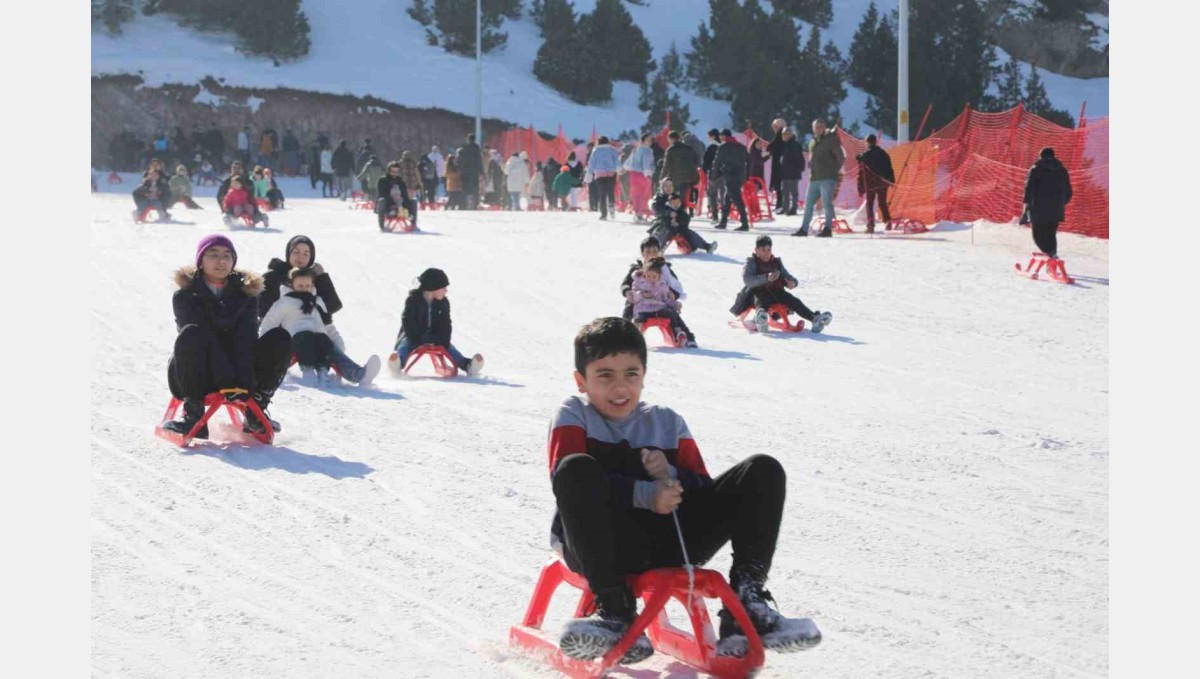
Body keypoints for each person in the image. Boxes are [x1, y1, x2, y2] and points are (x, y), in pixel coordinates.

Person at [546, 316, 823, 663]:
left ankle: (746, 606)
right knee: (576, 468)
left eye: (631, 374)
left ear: (644, 375)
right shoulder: (574, 413)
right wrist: (646, 495)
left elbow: (702, 489)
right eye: (605, 375)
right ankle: (616, 613)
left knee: (762, 469)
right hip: (598, 547)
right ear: (581, 381)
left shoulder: (666, 421)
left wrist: (671, 474)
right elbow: (566, 479)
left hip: (667, 541)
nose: (620, 387)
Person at [162, 235, 292, 438]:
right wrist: (227, 379)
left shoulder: (246, 295)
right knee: (191, 333)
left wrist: (245, 381)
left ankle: (256, 410)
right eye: (213, 255)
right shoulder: (185, 296)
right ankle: (193, 414)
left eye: (226, 256)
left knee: (280, 337)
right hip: (198, 371)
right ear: (201, 261)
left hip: (240, 371)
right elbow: (205, 337)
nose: (221, 261)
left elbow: (246, 338)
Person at [257, 237, 382, 385]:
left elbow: (331, 307)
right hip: (281, 336)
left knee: (325, 343)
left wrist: (322, 278)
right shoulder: (273, 276)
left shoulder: (313, 278)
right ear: (288, 253)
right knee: (305, 339)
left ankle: (359, 375)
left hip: (312, 332)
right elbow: (262, 312)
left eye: (306, 253)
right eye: (296, 252)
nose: (301, 257)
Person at [389, 268, 484, 376]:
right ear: (433, 287)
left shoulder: (443, 303)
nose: (446, 291)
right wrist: (415, 338)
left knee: (450, 348)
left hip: (434, 336)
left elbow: (446, 323)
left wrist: (443, 339)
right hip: (413, 335)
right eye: (443, 288)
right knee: (405, 345)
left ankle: (467, 365)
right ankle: (397, 363)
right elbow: (408, 320)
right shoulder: (413, 301)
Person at [730, 236, 832, 333]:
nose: (766, 253)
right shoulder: (751, 262)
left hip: (776, 293)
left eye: (768, 250)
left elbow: (787, 275)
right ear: (756, 250)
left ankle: (814, 318)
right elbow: (748, 280)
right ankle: (761, 317)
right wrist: (766, 278)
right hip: (756, 293)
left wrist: (793, 283)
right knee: (761, 299)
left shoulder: (776, 262)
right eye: (763, 250)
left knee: (794, 301)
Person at [258, 267, 342, 382]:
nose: (304, 289)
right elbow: (270, 321)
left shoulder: (317, 302)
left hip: (318, 335)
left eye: (307, 286)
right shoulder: (285, 302)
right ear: (292, 285)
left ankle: (322, 371)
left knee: (324, 340)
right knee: (306, 338)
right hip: (296, 338)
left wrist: (338, 342)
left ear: (312, 285)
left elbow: (327, 324)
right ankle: (308, 370)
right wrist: (263, 343)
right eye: (300, 286)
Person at [792, 119, 845, 238]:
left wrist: (833, 170)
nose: (819, 129)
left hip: (828, 177)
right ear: (813, 129)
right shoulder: (812, 142)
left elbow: (841, 157)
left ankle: (828, 229)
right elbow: (812, 158)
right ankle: (804, 229)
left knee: (827, 204)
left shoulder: (831, 139)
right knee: (808, 204)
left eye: (821, 126)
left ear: (825, 127)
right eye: (817, 127)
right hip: (815, 178)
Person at [1022, 147, 1073, 259]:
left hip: (1038, 210)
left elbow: (1029, 189)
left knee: (1037, 235)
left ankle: (1050, 256)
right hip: (1056, 211)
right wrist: (1059, 204)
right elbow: (1069, 192)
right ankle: (1052, 256)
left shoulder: (1036, 169)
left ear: (1041, 156)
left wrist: (1027, 205)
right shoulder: (1062, 170)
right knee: (1051, 235)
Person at [620, 236, 686, 321]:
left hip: (660, 302)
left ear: (659, 252)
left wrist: (673, 294)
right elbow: (625, 284)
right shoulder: (636, 270)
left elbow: (675, 285)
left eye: (654, 251)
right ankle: (625, 325)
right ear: (642, 253)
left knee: (672, 310)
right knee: (629, 303)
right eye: (648, 251)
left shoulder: (664, 269)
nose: (651, 254)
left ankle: (678, 328)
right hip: (640, 301)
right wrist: (627, 292)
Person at [648, 185, 716, 255]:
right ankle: (654, 249)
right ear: (669, 203)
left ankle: (706, 246)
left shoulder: (681, 211)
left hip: (680, 230)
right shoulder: (666, 209)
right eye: (674, 203)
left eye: (678, 203)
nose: (676, 205)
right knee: (661, 234)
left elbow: (686, 219)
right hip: (668, 230)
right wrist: (669, 219)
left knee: (691, 234)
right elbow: (661, 218)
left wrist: (679, 223)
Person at [856, 134, 895, 233]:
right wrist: (891, 181)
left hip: (870, 184)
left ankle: (870, 225)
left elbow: (861, 173)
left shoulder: (865, 156)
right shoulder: (883, 153)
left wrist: (860, 187)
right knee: (882, 203)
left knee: (870, 204)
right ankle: (888, 221)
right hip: (882, 183)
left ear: (867, 143)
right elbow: (889, 168)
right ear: (875, 142)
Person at [712, 129, 750, 231]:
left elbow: (717, 162)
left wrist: (713, 176)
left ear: (724, 136)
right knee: (728, 199)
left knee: (737, 199)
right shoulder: (741, 147)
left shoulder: (723, 147)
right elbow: (749, 160)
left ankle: (745, 223)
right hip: (740, 176)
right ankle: (723, 221)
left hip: (730, 175)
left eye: (721, 136)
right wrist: (747, 175)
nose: (720, 138)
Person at [660, 131, 701, 216]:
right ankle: (690, 211)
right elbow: (697, 161)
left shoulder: (671, 149)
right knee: (688, 190)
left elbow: (666, 166)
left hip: (677, 177)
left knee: (674, 191)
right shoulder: (689, 148)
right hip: (692, 177)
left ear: (670, 139)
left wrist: (662, 177)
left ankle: (678, 210)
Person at [376, 161, 418, 231]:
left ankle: (413, 224)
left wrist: (402, 204)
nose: (394, 173)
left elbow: (404, 195)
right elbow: (382, 194)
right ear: (389, 171)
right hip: (388, 205)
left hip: (400, 205)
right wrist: (393, 202)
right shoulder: (382, 180)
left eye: (396, 171)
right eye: (392, 171)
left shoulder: (401, 182)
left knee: (413, 201)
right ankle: (382, 226)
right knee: (381, 200)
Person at [624, 136, 656, 222]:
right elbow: (646, 164)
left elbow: (629, 162)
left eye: (650, 140)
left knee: (636, 195)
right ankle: (641, 212)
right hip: (643, 175)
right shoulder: (647, 151)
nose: (650, 142)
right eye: (648, 140)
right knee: (644, 195)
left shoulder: (635, 150)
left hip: (633, 174)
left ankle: (637, 213)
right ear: (643, 141)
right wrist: (648, 174)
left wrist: (624, 169)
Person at [588, 137, 620, 220]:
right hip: (611, 173)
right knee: (611, 192)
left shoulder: (595, 151)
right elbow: (617, 161)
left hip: (599, 174)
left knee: (602, 194)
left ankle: (603, 214)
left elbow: (591, 163)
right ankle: (611, 205)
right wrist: (619, 170)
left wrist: (588, 175)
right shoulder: (612, 150)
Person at [777, 128, 806, 216]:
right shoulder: (783, 145)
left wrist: (798, 169)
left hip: (793, 172)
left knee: (793, 191)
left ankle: (794, 208)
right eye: (783, 134)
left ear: (790, 134)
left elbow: (799, 158)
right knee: (784, 191)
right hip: (784, 172)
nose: (784, 136)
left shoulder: (795, 144)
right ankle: (785, 208)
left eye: (786, 134)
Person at [459, 133, 484, 209]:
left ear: (468, 139)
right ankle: (475, 205)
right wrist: (481, 171)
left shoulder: (463, 148)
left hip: (465, 171)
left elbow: (460, 160)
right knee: (475, 189)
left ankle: (463, 205)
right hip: (474, 171)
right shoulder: (476, 148)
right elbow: (479, 160)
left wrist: (460, 169)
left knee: (464, 189)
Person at [701, 129, 722, 221]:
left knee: (712, 195)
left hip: (713, 174)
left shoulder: (711, 147)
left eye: (708, 136)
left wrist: (704, 170)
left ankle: (715, 215)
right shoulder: (722, 146)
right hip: (723, 174)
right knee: (723, 195)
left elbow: (706, 161)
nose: (707, 138)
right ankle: (724, 215)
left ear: (713, 136)